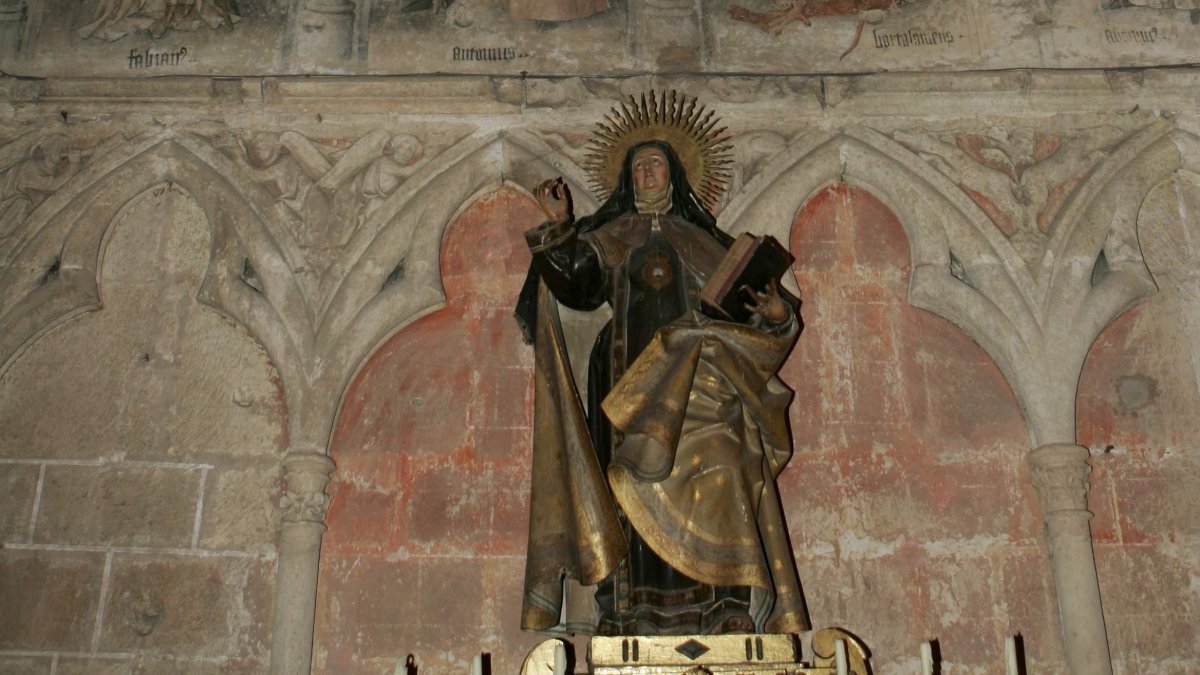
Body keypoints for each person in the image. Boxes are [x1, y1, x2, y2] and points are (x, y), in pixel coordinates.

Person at [518, 131, 809, 636]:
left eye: (654, 165)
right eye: (638, 168)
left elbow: (746, 310)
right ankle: (630, 609)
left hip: (701, 382)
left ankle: (725, 600)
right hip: (626, 378)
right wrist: (561, 226)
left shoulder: (701, 241)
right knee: (628, 488)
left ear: (673, 175)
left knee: (723, 468)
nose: (646, 174)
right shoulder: (613, 234)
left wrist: (777, 314)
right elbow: (578, 285)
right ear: (628, 182)